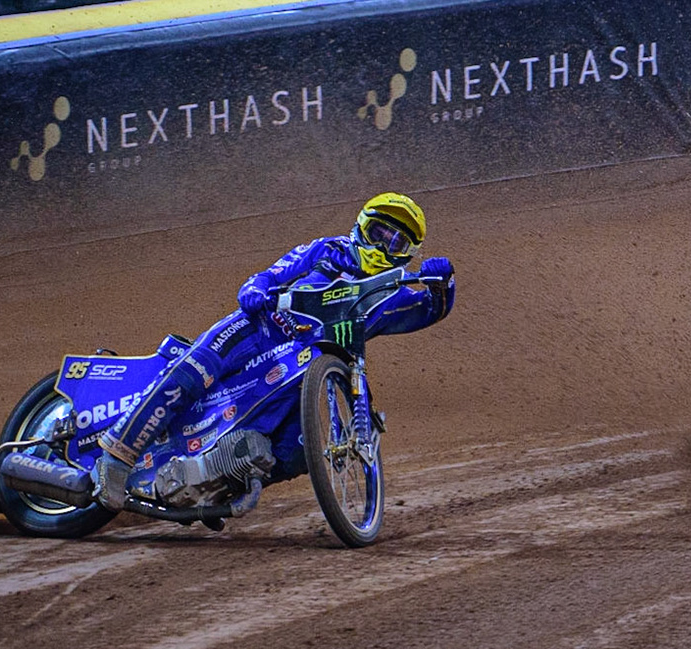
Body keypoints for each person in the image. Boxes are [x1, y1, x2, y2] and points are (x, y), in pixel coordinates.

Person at [90, 194, 454, 509]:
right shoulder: (327, 250)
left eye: (397, 243)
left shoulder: (394, 294)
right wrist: (255, 290)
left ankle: (222, 483)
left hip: (308, 367)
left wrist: (443, 284)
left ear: (408, 253)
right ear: (362, 227)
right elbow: (268, 276)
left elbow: (430, 309)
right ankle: (116, 456)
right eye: (380, 233)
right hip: (261, 330)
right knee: (197, 370)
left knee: (298, 451)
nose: (385, 246)